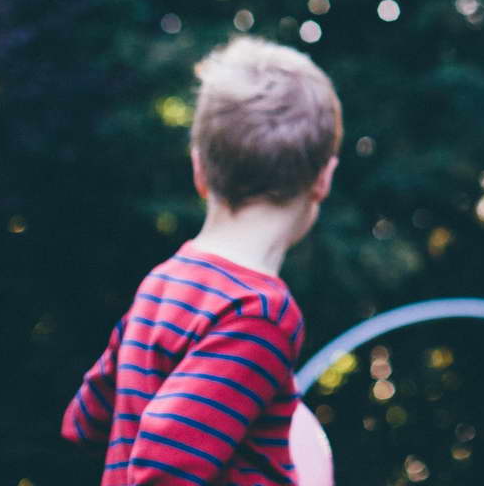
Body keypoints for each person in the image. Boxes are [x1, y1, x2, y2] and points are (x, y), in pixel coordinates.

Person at [62, 36, 342, 486]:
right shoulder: (259, 312)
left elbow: (87, 418)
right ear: (323, 179)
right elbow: (165, 473)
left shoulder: (164, 282)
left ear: (199, 170)